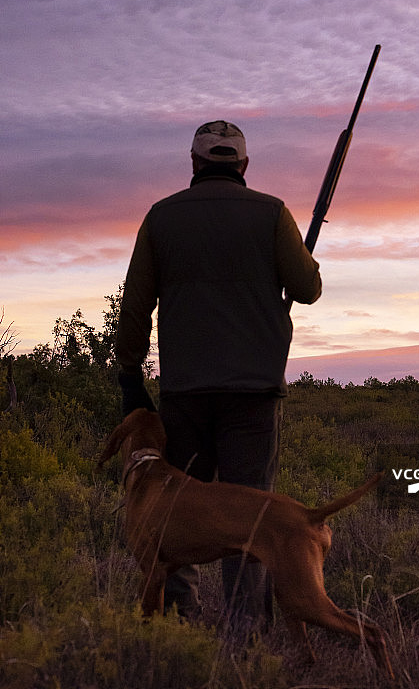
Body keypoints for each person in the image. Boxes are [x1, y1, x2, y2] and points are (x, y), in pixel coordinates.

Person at [115, 120, 322, 633]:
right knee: (248, 514)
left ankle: (177, 621)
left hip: (183, 392)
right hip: (254, 393)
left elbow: (135, 309)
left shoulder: (160, 218)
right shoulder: (273, 213)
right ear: (243, 165)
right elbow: (308, 288)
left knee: (176, 509)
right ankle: (243, 631)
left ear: (194, 163)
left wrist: (130, 381)